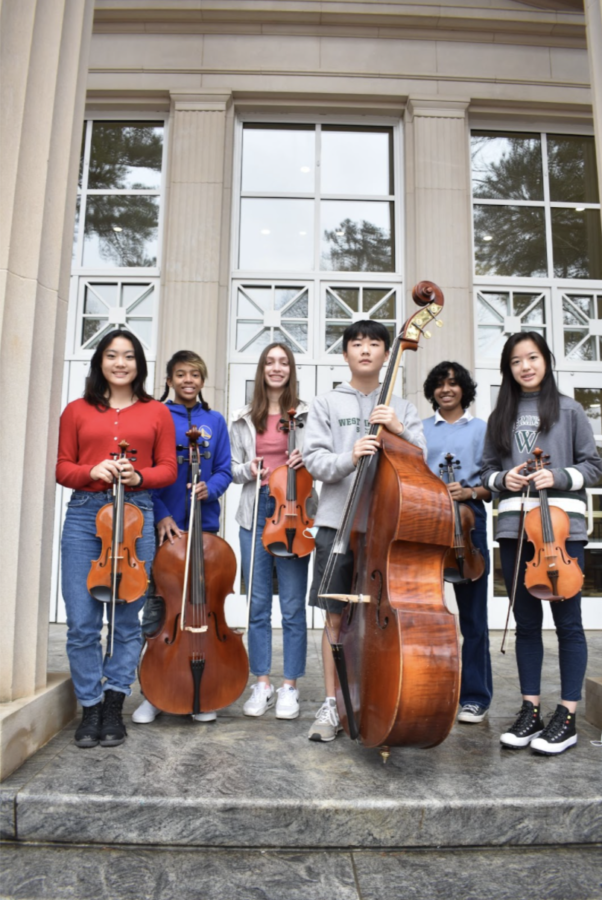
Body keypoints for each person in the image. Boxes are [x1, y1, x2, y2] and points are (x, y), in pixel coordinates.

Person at [303, 320, 427, 742]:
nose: (366, 350)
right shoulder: (324, 403)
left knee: (384, 621)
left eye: (375, 343)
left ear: (387, 354)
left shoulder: (403, 408)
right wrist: (349, 457)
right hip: (337, 525)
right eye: (357, 343)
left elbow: (421, 459)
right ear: (345, 354)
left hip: (388, 528)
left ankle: (378, 696)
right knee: (335, 619)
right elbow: (314, 460)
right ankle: (332, 704)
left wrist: (399, 430)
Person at [481, 331, 602, 755]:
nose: (525, 366)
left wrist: (561, 476)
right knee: (526, 624)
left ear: (546, 361)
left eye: (532, 357)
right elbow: (485, 472)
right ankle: (530, 709)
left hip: (563, 531)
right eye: (516, 361)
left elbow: (593, 464)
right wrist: (503, 479)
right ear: (508, 369)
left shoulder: (569, 410)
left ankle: (566, 715)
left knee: (568, 624)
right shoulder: (501, 416)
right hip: (517, 530)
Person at [56, 329, 177, 749]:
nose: (120, 362)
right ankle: (89, 705)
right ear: (100, 362)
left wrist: (139, 475)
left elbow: (168, 469)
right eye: (112, 355)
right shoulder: (76, 410)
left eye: (128, 356)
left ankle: (114, 702)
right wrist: (91, 471)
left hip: (136, 515)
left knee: (127, 621)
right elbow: (62, 468)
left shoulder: (157, 412)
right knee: (82, 622)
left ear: (139, 364)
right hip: (85, 516)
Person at [132, 350, 232, 726]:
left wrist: (214, 487)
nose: (188, 380)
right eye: (180, 374)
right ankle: (155, 693)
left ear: (203, 381)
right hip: (167, 528)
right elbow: (147, 472)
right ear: (170, 380)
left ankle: (203, 691)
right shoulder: (157, 416)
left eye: (195, 374)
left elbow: (224, 468)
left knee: (202, 608)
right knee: (159, 614)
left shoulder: (215, 421)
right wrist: (161, 515)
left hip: (204, 528)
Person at [230, 343, 316, 720]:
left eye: (283, 362)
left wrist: (307, 458)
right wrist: (249, 470)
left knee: (294, 606)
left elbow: (323, 461)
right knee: (258, 605)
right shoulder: (244, 417)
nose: (276, 367)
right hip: (257, 510)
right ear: (262, 368)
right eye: (270, 361)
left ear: (291, 369)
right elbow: (231, 469)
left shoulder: (309, 415)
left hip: (295, 512)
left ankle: (290, 687)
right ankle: (262, 682)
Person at [423, 361, 492, 724]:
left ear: (464, 388)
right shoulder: (420, 431)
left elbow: (492, 483)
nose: (445, 389)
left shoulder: (482, 429)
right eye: (439, 384)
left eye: (452, 383)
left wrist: (468, 490)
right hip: (429, 522)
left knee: (474, 617)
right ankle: (429, 689)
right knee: (426, 613)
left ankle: (475, 697)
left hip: (468, 522)